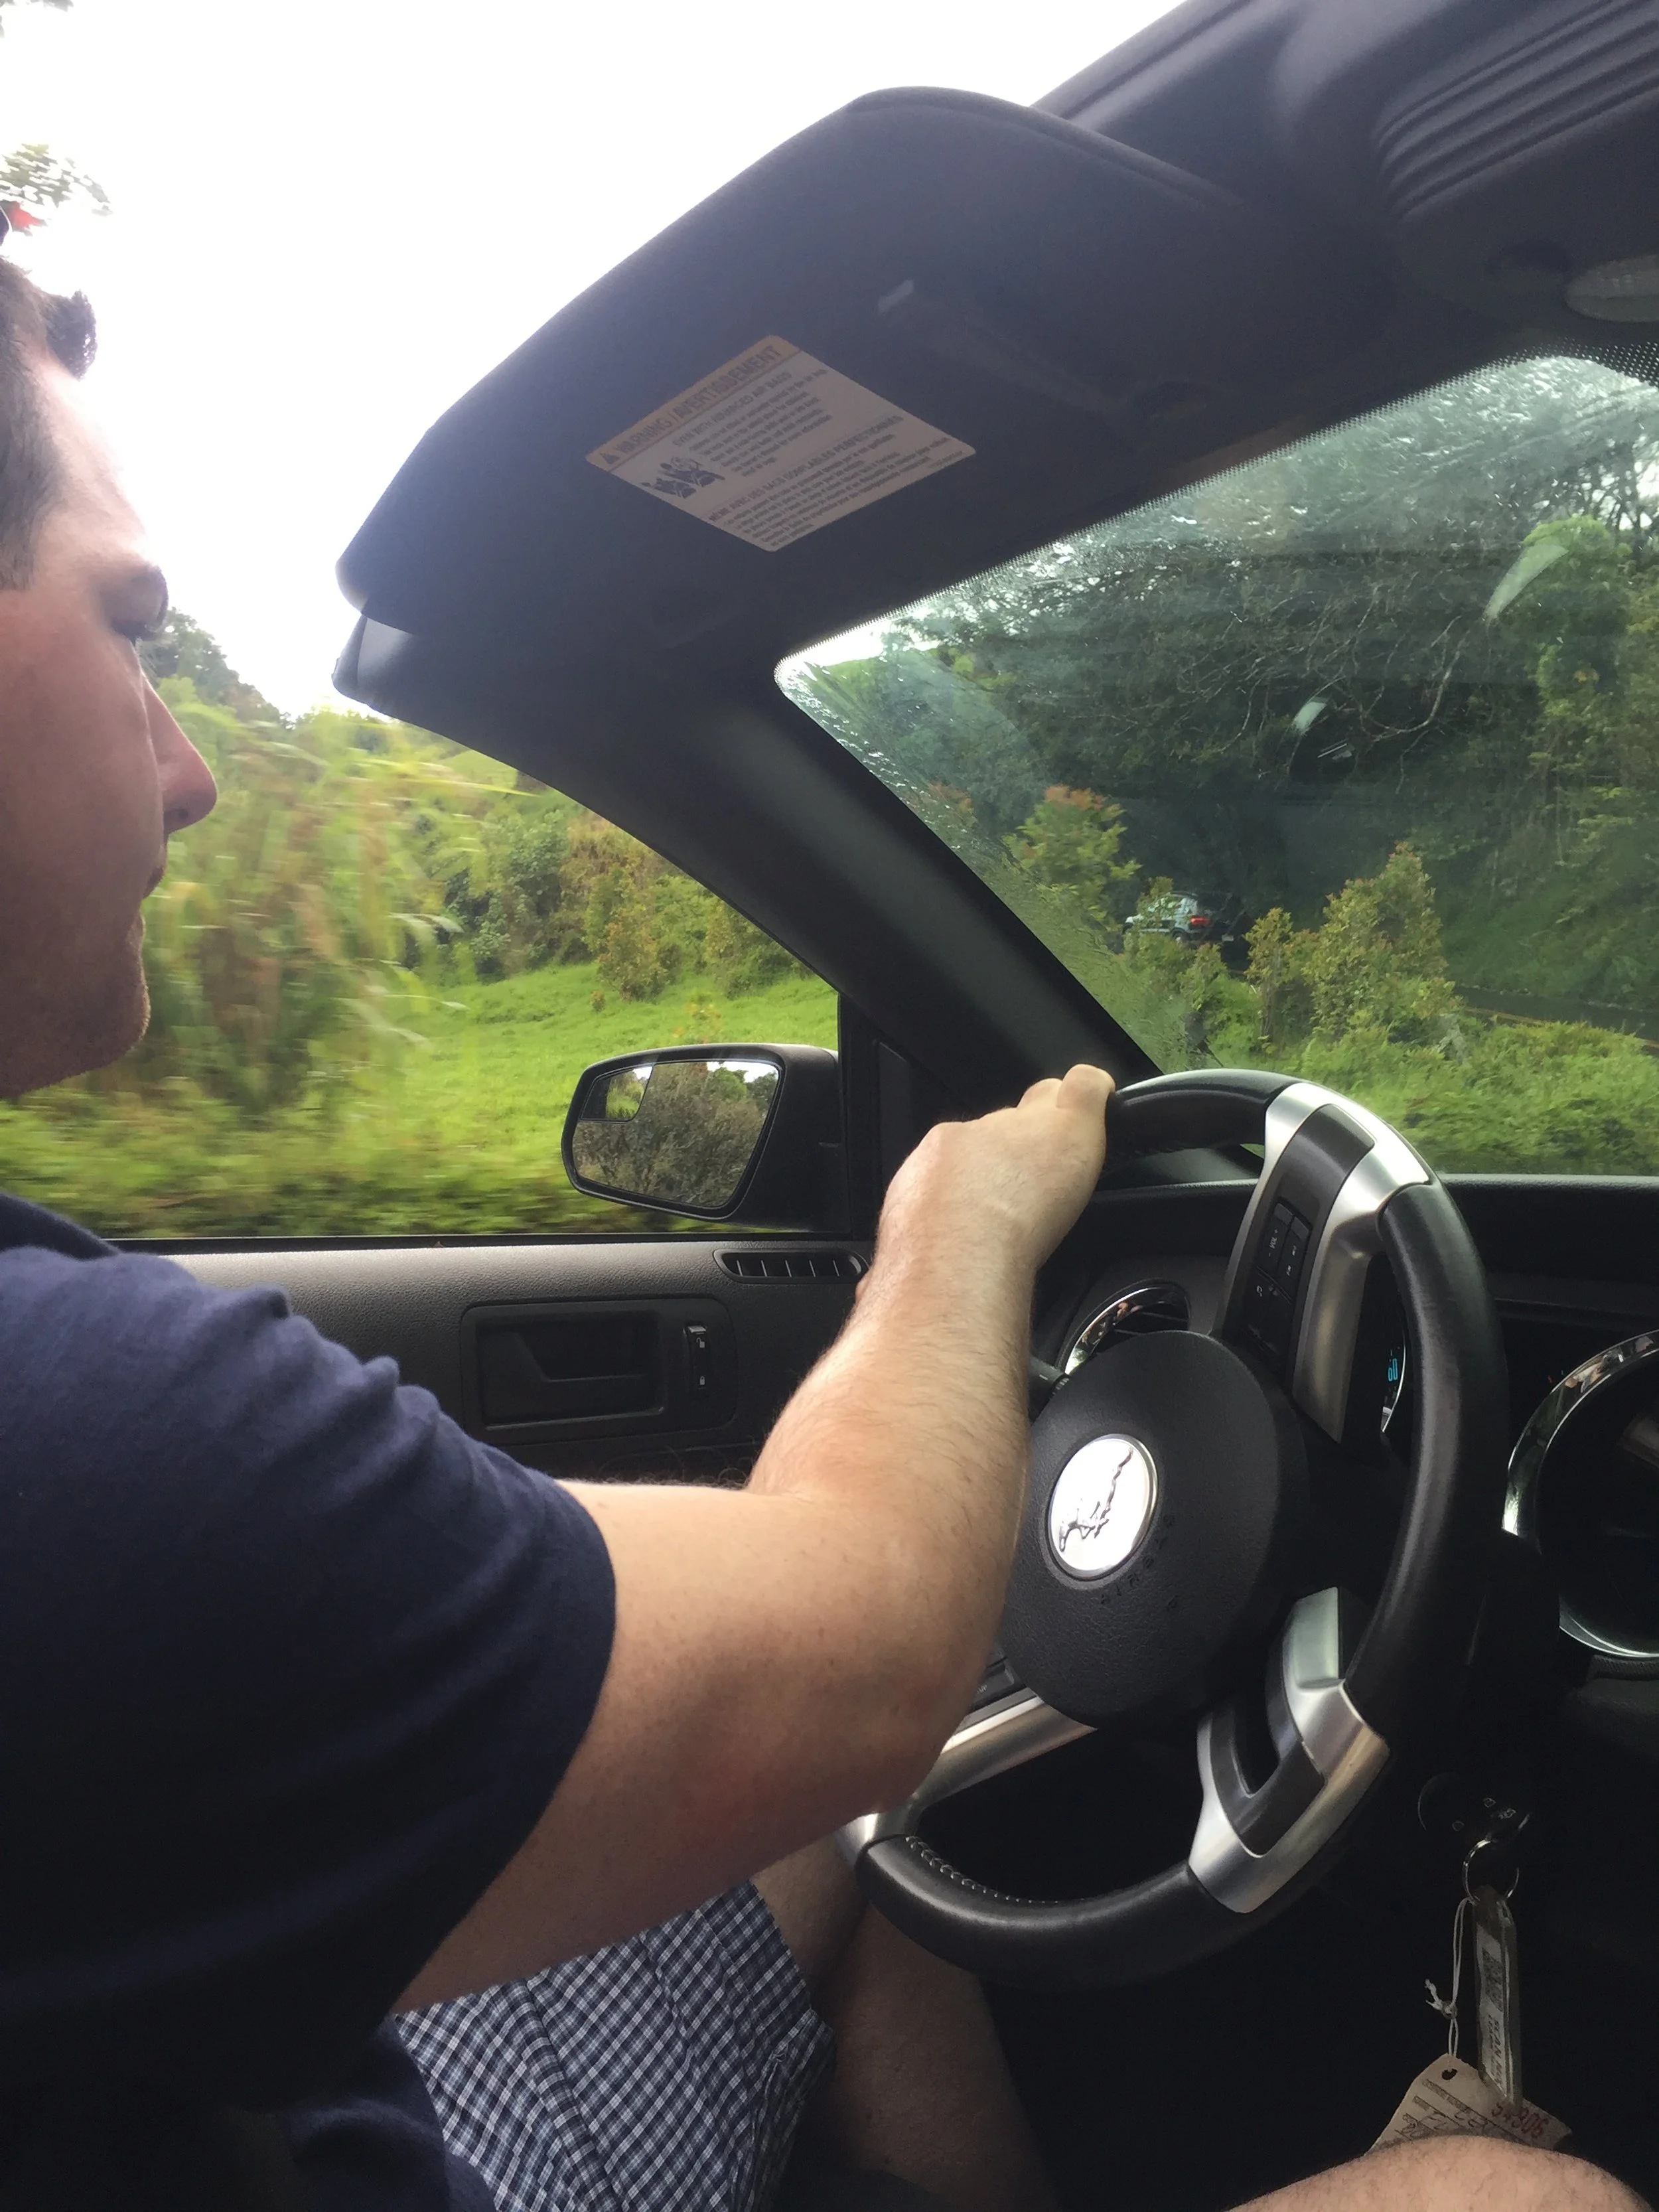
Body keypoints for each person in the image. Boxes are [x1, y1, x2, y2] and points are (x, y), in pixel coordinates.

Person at [0, 247, 1644, 2212]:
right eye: (131, 633)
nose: (188, 772)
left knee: (817, 1817)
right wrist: (958, 1215)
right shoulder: (72, 1431)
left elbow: (812, 1726)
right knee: (1521, 2201)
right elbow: (865, 1650)